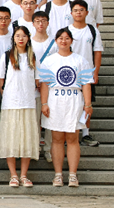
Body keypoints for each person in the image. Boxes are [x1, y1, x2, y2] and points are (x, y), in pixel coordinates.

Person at [39, 28, 94, 188]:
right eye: (60, 38)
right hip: (55, 101)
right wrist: (44, 103)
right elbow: (45, 84)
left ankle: (72, 175)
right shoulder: (49, 61)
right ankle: (58, 175)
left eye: (67, 38)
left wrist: (88, 104)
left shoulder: (80, 60)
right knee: (56, 139)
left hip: (74, 100)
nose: (63, 41)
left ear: (71, 41)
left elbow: (86, 84)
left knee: (72, 139)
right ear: (56, 41)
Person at [0, 26, 40, 188]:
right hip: (10, 104)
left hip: (28, 103)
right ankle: (13, 175)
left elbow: (38, 80)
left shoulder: (32, 57)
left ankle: (24, 175)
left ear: (28, 38)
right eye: (17, 36)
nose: (20, 39)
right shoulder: (6, 56)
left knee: (27, 139)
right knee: (11, 138)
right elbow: (1, 79)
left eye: (23, 36)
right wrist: (6, 94)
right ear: (13, 38)